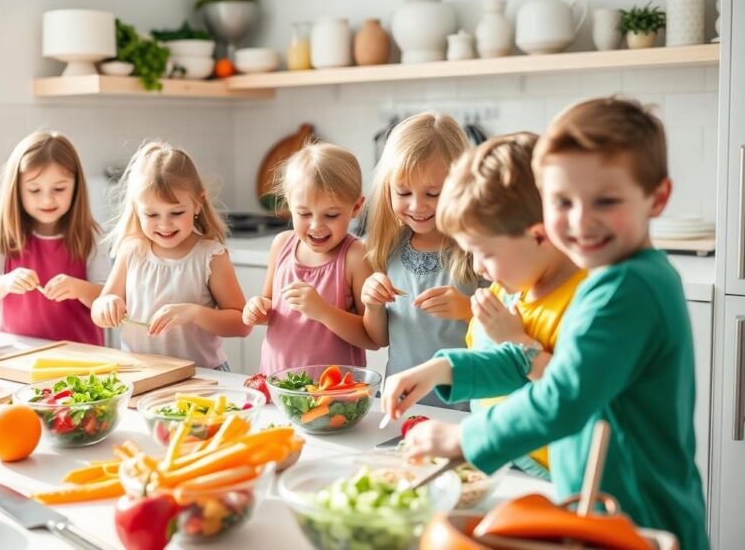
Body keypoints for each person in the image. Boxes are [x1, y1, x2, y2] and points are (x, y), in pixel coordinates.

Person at [383, 97, 708, 550]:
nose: (579, 221)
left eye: (606, 200)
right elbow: (532, 362)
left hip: (638, 514)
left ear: (658, 197)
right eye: (561, 201)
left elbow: (563, 396)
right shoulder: (610, 277)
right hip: (597, 507)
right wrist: (447, 369)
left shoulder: (628, 288)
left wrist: (465, 437)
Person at [436, 132, 586, 478]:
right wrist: (433, 373)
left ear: (539, 235)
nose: (476, 268)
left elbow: (576, 395)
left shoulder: (585, 300)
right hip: (494, 455)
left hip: (551, 475)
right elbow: (484, 364)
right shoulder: (508, 289)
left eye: (485, 252)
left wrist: (516, 340)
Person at [359, 113, 480, 409]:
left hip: (464, 408)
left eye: (433, 193)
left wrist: (468, 311)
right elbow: (379, 338)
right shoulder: (387, 248)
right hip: (402, 405)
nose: (417, 205)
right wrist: (372, 304)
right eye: (403, 192)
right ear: (388, 189)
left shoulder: (477, 250)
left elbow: (510, 335)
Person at [92, 142, 248, 369]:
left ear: (197, 203)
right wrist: (107, 304)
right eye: (152, 214)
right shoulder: (132, 251)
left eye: (176, 212)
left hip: (201, 376)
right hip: (143, 372)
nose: (164, 224)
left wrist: (194, 314)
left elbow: (242, 324)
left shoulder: (211, 256)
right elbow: (98, 310)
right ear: (137, 209)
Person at [244, 142, 377, 376]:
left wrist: (323, 311)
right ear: (288, 203)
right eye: (304, 213)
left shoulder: (355, 257)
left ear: (356, 207)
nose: (316, 225)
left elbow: (372, 337)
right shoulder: (281, 245)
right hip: (277, 384)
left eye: (331, 215)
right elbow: (269, 308)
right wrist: (256, 309)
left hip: (335, 395)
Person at [0, 131, 107, 344]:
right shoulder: (3, 231)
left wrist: (78, 288)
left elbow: (107, 300)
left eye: (59, 188)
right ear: (17, 189)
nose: (47, 199)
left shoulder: (91, 235)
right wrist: (5, 282)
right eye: (34, 190)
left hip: (81, 355)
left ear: (76, 187)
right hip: (18, 352)